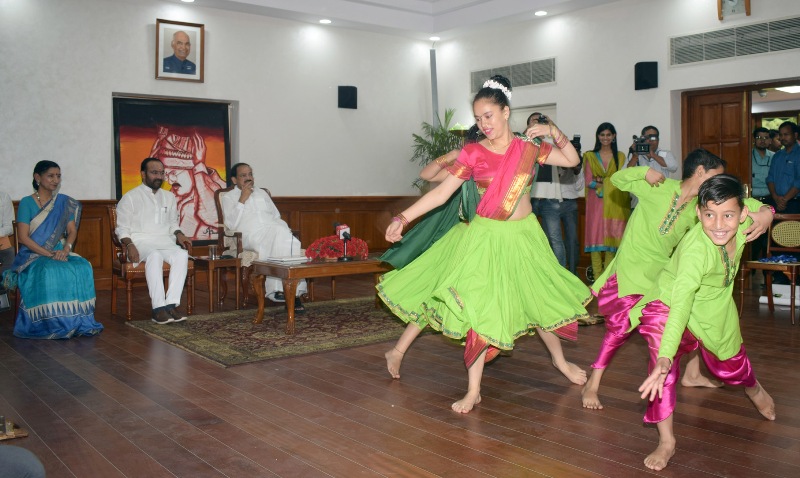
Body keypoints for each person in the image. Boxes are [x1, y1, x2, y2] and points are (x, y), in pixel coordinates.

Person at [378, 75, 591, 413]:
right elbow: (440, 192)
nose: (483, 124)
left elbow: (572, 160)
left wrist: (553, 129)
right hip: (485, 238)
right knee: (480, 307)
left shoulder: (529, 148)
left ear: (506, 112)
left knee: (538, 302)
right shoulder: (473, 152)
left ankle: (561, 363)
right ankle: (473, 389)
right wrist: (403, 218)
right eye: (478, 118)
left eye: (488, 115)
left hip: (524, 238)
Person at [581, 149, 772, 410]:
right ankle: (592, 384)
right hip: (631, 268)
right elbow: (617, 181)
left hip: (661, 274)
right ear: (701, 172)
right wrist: (642, 171)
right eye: (716, 177)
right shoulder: (659, 187)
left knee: (685, 322)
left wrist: (766, 212)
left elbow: (743, 207)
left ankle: (691, 375)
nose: (718, 185)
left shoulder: (700, 211)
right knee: (619, 328)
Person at [637, 174, 775, 471]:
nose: (719, 224)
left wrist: (767, 214)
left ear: (741, 215)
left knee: (731, 365)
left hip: (715, 304)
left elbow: (760, 206)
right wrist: (664, 357)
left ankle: (753, 388)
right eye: (709, 215)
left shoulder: (745, 215)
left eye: (728, 215)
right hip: (672, 300)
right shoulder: (695, 252)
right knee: (662, 362)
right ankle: (666, 441)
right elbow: (681, 305)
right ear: (698, 213)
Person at [2, 161, 102, 339]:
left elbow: (72, 230)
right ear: (37, 178)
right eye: (51, 176)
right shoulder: (27, 202)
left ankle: (77, 321)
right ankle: (50, 323)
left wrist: (66, 248)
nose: (55, 180)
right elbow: (23, 237)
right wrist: (49, 254)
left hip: (60, 251)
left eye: (58, 176)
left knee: (83, 266)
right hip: (33, 254)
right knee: (49, 270)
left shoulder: (64, 203)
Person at [115, 158, 191, 324]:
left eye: (161, 173)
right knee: (155, 255)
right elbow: (122, 228)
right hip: (140, 242)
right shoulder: (130, 197)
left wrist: (179, 234)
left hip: (165, 241)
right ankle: (158, 308)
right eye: (154, 172)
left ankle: (171, 304)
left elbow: (172, 224)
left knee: (181, 255)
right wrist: (129, 245)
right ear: (143, 174)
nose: (159, 176)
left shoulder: (169, 197)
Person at [222, 163, 307, 310]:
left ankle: (291, 292)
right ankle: (285, 292)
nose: (248, 178)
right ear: (234, 180)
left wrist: (279, 227)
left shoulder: (261, 193)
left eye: (250, 174)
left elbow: (276, 215)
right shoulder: (229, 197)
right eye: (243, 175)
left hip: (271, 230)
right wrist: (242, 199)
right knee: (282, 236)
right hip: (249, 235)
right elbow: (231, 224)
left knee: (289, 240)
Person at [149, 126, 226, 241]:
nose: (170, 180)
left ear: (192, 170)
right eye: (165, 175)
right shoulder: (171, 197)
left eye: (174, 172)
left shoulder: (217, 192)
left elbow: (214, 217)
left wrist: (199, 165)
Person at [529, 113, 584, 275]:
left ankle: (561, 278)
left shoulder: (550, 145)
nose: (537, 124)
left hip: (550, 200)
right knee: (528, 240)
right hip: (528, 200)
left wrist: (552, 126)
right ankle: (535, 274)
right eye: (533, 122)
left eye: (540, 122)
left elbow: (568, 149)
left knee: (555, 241)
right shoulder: (525, 144)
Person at [583, 122, 631, 281]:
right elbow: (589, 181)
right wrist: (608, 182)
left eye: (608, 135)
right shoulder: (589, 156)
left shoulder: (621, 156)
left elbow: (621, 180)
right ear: (598, 137)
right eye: (602, 135)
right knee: (595, 242)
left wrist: (601, 181)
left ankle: (606, 280)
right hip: (595, 204)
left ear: (614, 136)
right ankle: (597, 279)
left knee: (611, 241)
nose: (605, 138)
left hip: (614, 202)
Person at [626, 125, 677, 209]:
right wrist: (635, 155)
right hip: (639, 204)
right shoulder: (634, 155)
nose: (650, 141)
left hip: (661, 203)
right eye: (647, 138)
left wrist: (653, 155)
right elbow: (624, 173)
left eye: (653, 138)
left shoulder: (665, 154)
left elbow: (674, 167)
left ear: (658, 140)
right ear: (642, 139)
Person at [766, 121, 800, 214]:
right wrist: (775, 197)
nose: (782, 138)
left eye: (786, 134)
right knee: (774, 228)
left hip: (795, 203)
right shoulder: (777, 155)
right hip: (776, 202)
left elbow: (798, 181)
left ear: (795, 135)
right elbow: (770, 178)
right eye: (780, 135)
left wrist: (784, 200)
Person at [750, 127, 774, 262]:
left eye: (765, 138)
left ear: (770, 140)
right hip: (753, 200)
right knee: (754, 239)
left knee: (768, 240)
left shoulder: (775, 156)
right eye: (759, 138)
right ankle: (751, 274)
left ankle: (768, 276)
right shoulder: (748, 155)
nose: (762, 141)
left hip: (771, 200)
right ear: (754, 140)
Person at [0, 190, 15, 276]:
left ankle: (6, 288)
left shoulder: (3, 197)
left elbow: (10, 227)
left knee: (11, 256)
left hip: (1, 241)